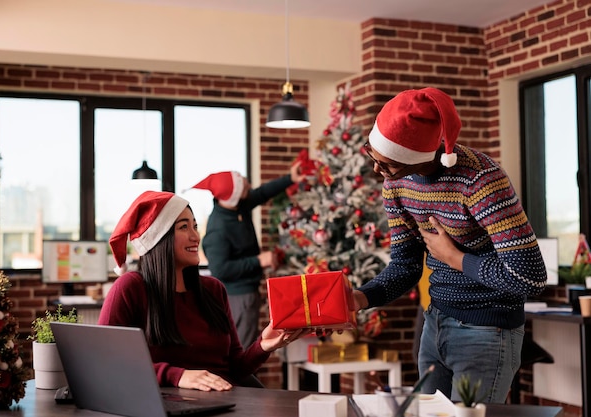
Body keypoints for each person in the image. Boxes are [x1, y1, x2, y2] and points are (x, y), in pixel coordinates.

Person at [352, 87, 547, 403]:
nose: (378, 171)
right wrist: (361, 298)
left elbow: (530, 278)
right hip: (435, 324)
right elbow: (405, 266)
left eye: (386, 164)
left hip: (487, 332)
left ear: (415, 157)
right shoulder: (396, 184)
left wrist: (454, 258)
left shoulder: (481, 180)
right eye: (372, 155)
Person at [98, 191, 306, 391]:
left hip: (226, 402)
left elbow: (235, 369)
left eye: (195, 226)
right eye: (183, 227)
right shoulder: (130, 288)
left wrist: (263, 346)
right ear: (158, 238)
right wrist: (176, 375)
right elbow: (108, 361)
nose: (195, 236)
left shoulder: (213, 290)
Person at [191, 165, 305, 348]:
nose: (249, 186)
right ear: (234, 195)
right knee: (242, 353)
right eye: (245, 186)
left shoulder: (237, 207)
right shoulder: (218, 228)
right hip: (238, 298)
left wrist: (290, 178)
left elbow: (261, 193)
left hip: (248, 293)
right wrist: (259, 260)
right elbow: (221, 270)